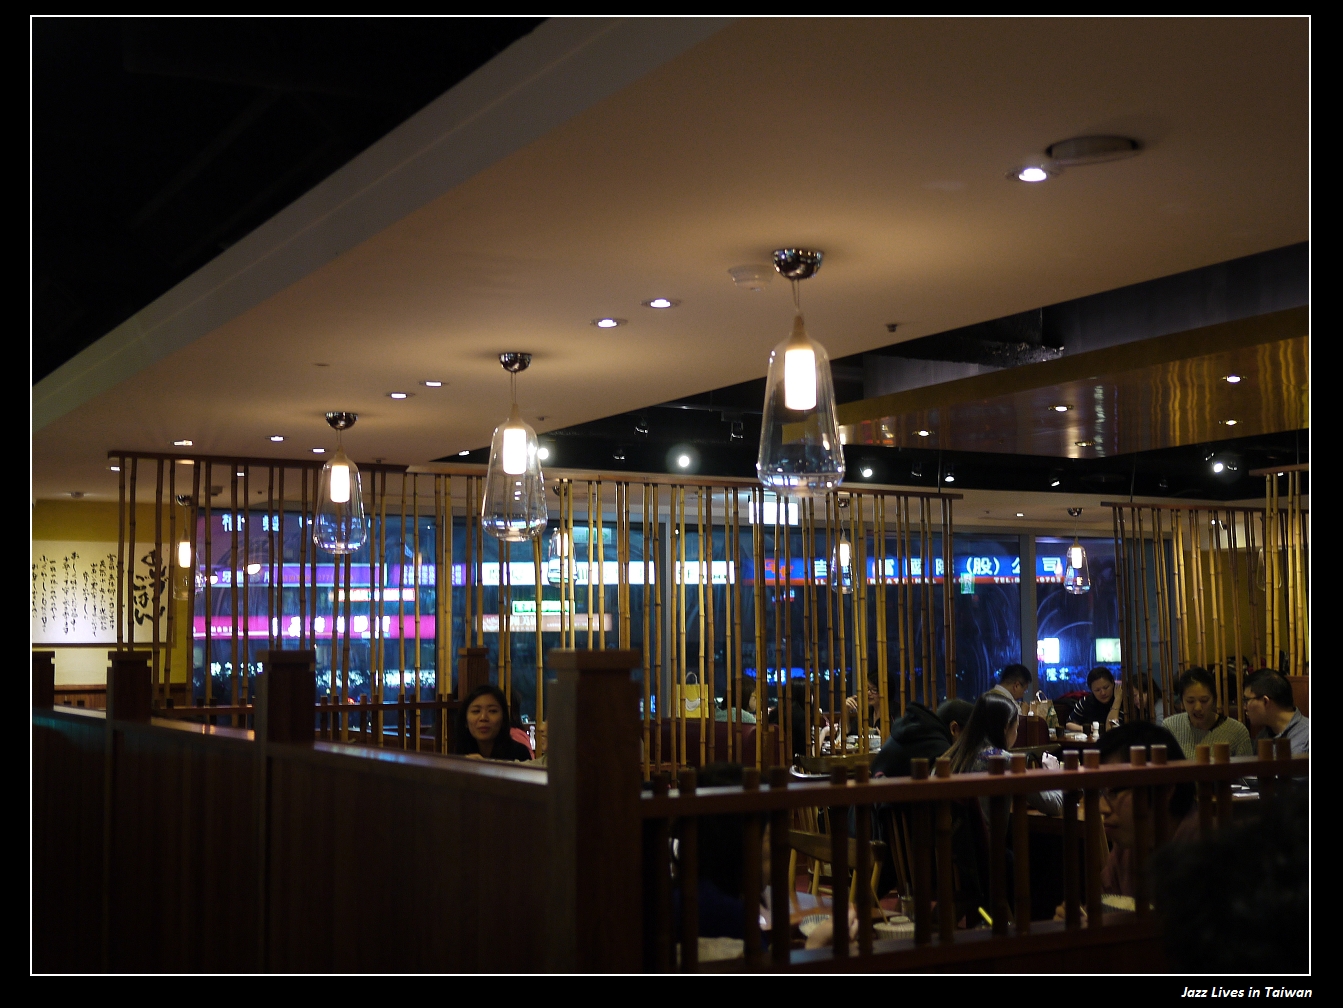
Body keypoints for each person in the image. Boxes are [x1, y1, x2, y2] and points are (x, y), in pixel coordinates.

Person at [1093, 721, 1198, 901]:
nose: (1102, 808)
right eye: (1100, 792)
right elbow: (1107, 907)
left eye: (1114, 791)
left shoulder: (1208, 851)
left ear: (1165, 789)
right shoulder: (1127, 848)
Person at [945, 693, 1062, 815]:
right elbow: (1055, 806)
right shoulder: (1004, 760)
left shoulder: (952, 755)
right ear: (1006, 728)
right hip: (988, 829)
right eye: (1016, 728)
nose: (1016, 734)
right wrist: (1054, 774)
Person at [1162, 667, 1252, 759]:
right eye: (1190, 701)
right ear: (1182, 701)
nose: (1198, 708)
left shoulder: (1237, 732)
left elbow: (1247, 767)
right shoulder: (1170, 727)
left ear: (1214, 700)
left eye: (1204, 700)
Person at [870, 698, 973, 779]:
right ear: (954, 729)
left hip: (874, 793)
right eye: (969, 734)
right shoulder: (939, 749)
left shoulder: (921, 731)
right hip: (887, 797)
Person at [453, 684, 533, 761]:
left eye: (492, 711)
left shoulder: (519, 753)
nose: (483, 718)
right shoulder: (461, 752)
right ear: (465, 720)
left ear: (503, 718)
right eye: (476, 711)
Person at [1243, 668, 1309, 754]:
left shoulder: (1307, 736)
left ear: (1265, 701)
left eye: (1247, 700)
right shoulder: (1262, 737)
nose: (1245, 707)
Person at [1065, 667, 1124, 734]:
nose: (1103, 693)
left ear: (1113, 683)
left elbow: (1110, 729)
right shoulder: (1086, 702)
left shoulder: (1124, 702)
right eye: (1097, 690)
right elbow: (1069, 724)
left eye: (1106, 687)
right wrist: (1086, 728)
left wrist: (1117, 700)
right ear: (1091, 690)